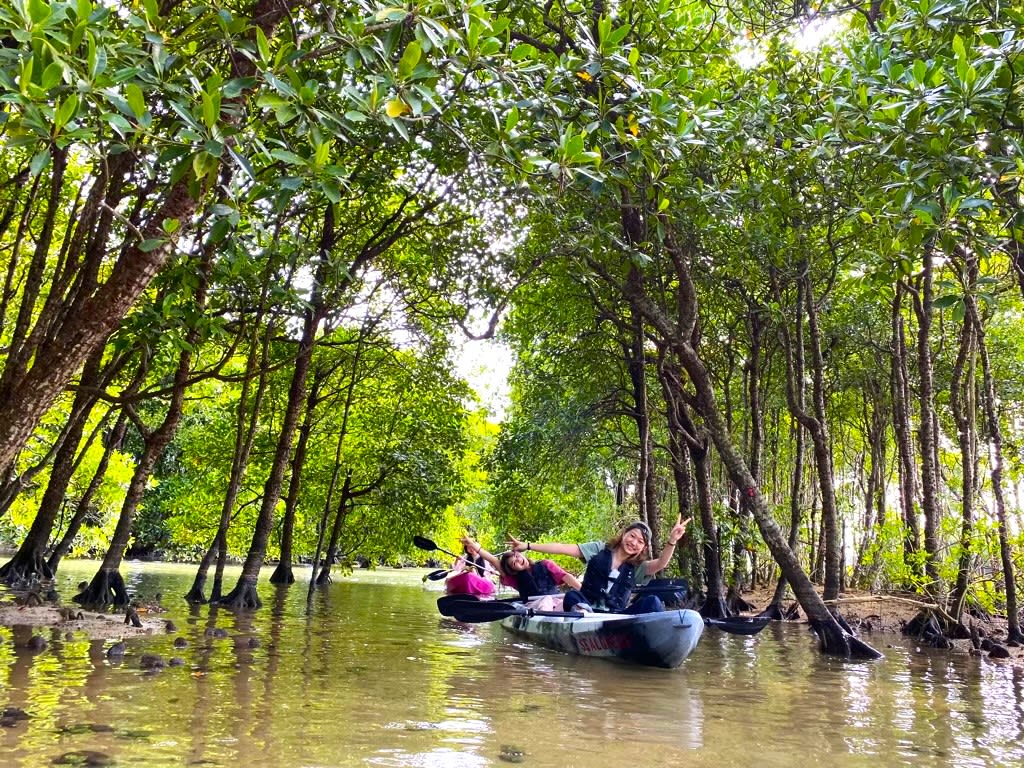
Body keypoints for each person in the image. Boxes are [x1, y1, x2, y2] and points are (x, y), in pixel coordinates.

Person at [507, 516, 690, 614]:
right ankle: (584, 618)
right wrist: (529, 545)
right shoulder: (598, 549)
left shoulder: (638, 567)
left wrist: (672, 540)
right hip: (587, 610)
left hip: (616, 616)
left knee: (653, 602)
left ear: (643, 548)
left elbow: (661, 563)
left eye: (640, 541)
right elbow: (562, 548)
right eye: (632, 536)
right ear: (624, 534)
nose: (634, 542)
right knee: (571, 596)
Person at [461, 535, 581, 609]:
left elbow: (566, 577)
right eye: (514, 564)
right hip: (534, 607)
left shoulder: (546, 564)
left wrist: (584, 591)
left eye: (517, 556)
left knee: (573, 601)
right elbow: (492, 559)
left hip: (556, 602)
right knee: (546, 600)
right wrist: (474, 546)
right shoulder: (514, 578)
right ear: (513, 570)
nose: (518, 561)